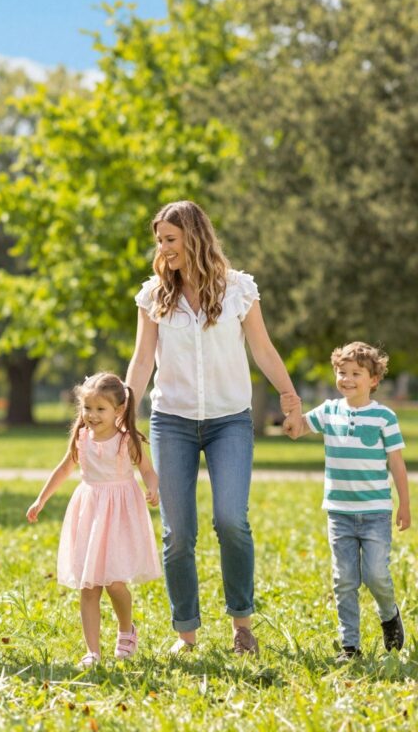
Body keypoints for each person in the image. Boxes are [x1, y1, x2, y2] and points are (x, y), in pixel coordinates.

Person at [124, 199, 302, 656]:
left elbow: (262, 349)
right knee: (178, 532)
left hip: (230, 423)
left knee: (231, 520)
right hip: (172, 422)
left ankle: (242, 625)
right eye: (160, 241)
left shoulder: (239, 289)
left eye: (170, 240)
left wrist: (288, 396)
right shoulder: (154, 296)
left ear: (194, 237)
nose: (163, 249)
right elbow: (143, 360)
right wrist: (126, 414)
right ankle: (187, 633)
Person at [26, 372, 161, 668]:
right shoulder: (82, 438)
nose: (92, 415)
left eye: (101, 409)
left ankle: (126, 629)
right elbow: (63, 469)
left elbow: (148, 470)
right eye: (88, 408)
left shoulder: (127, 440)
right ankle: (93, 651)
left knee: (114, 583)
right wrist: (41, 499)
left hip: (119, 514)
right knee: (89, 586)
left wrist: (153, 487)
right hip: (89, 511)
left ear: (119, 410)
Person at [288, 342, 408, 662]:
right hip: (339, 513)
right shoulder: (329, 411)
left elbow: (397, 464)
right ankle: (350, 646)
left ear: (373, 380)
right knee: (344, 580)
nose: (348, 379)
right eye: (342, 372)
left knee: (376, 575)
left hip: (376, 513)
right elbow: (298, 428)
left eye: (356, 373)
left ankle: (388, 615)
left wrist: (405, 505)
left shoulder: (384, 417)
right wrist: (292, 413)